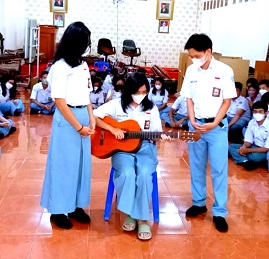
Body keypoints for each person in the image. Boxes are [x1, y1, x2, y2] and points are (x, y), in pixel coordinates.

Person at [93, 72, 170, 241]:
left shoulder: (152, 108)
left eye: (144, 92)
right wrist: (113, 129)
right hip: (121, 150)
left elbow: (156, 132)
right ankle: (132, 214)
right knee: (127, 173)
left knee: (143, 174)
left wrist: (159, 136)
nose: (141, 96)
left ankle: (141, 219)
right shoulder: (116, 104)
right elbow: (94, 116)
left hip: (145, 147)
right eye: (138, 92)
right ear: (129, 90)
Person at [40, 22, 95, 230]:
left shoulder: (82, 65)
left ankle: (75, 207)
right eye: (85, 42)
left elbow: (87, 94)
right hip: (67, 118)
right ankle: (57, 210)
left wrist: (91, 117)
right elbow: (60, 101)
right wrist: (78, 127)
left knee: (81, 165)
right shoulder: (59, 67)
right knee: (64, 165)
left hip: (82, 114)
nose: (87, 45)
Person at [180, 33, 236, 232]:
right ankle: (199, 203)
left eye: (196, 55)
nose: (193, 59)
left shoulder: (224, 70)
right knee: (196, 166)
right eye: (191, 56)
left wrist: (214, 123)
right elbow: (188, 98)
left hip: (216, 129)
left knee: (219, 170)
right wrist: (192, 119)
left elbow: (227, 101)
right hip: (195, 127)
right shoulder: (192, 71)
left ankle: (220, 212)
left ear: (208, 52)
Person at [228, 101, 269, 171]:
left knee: (255, 157)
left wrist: (248, 150)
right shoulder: (252, 122)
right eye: (255, 112)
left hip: (264, 151)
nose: (257, 114)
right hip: (253, 146)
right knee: (232, 147)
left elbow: (268, 148)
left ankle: (244, 159)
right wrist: (244, 147)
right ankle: (245, 162)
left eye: (260, 112)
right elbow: (248, 140)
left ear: (265, 113)